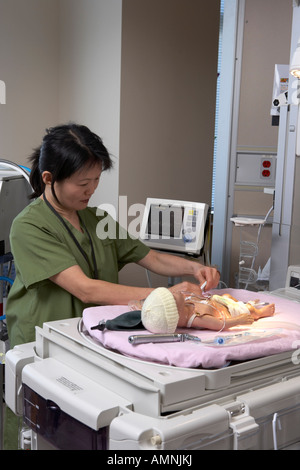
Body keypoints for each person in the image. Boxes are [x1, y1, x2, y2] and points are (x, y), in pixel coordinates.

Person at [4, 123, 219, 449]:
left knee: (91, 428)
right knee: (43, 431)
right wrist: (163, 295)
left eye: (96, 181)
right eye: (82, 183)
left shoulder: (96, 219)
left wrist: (196, 267)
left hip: (93, 342)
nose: (91, 190)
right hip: (44, 344)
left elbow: (151, 258)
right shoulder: (29, 226)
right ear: (49, 178)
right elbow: (86, 290)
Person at [139, 288, 275, 334]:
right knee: (249, 310)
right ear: (175, 312)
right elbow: (219, 324)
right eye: (173, 296)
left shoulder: (186, 306)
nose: (174, 291)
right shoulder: (196, 318)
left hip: (219, 302)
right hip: (228, 313)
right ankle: (260, 312)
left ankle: (244, 304)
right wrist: (238, 320)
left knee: (227, 296)